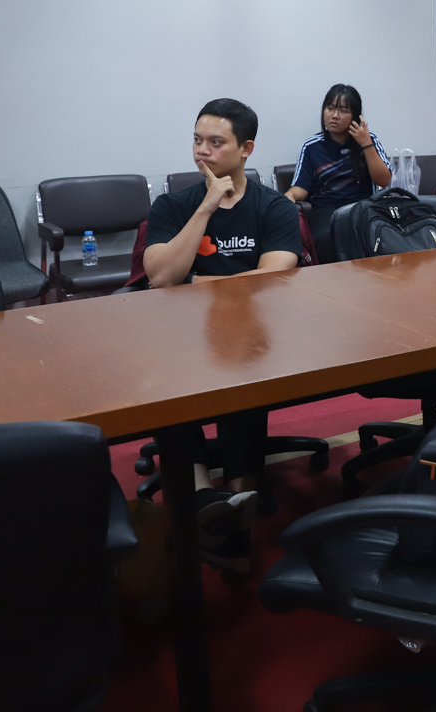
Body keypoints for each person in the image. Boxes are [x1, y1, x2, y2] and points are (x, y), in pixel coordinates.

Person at [144, 97, 302, 572]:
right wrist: (206, 208)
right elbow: (160, 277)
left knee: (243, 363)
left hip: (252, 330)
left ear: (246, 149)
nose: (202, 151)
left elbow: (274, 274)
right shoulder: (173, 206)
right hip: (180, 333)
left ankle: (238, 495)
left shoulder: (274, 207)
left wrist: (196, 281)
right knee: (169, 376)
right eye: (197, 140)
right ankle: (201, 496)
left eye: (216, 142)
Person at [284, 84, 392, 263]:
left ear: (355, 115)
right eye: (330, 108)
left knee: (380, 233)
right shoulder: (312, 146)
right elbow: (301, 186)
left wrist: (366, 144)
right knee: (327, 236)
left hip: (363, 207)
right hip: (327, 210)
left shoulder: (369, 138)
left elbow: (384, 180)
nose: (334, 115)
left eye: (343, 110)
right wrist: (290, 195)